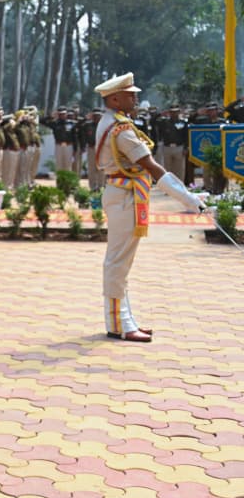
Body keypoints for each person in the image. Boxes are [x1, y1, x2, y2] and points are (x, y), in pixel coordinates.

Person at [94, 73, 204, 343]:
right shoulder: (120, 129)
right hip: (124, 195)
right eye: (131, 94)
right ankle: (121, 324)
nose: (136, 97)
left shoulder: (115, 122)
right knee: (118, 261)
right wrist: (189, 199)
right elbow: (153, 168)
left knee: (121, 260)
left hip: (124, 193)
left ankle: (122, 319)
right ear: (115, 98)